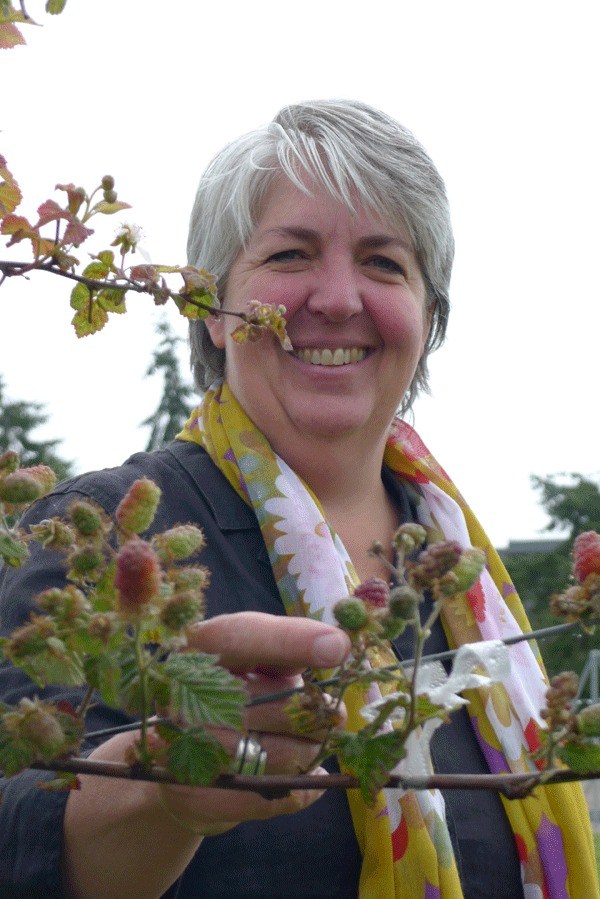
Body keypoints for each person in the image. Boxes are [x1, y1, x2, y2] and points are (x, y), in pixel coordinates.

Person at [0, 100, 596, 898]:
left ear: (429, 317)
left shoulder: (463, 578)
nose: (339, 297)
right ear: (212, 311)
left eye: (385, 263)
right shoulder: (101, 538)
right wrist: (168, 786)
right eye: (290, 254)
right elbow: (21, 843)